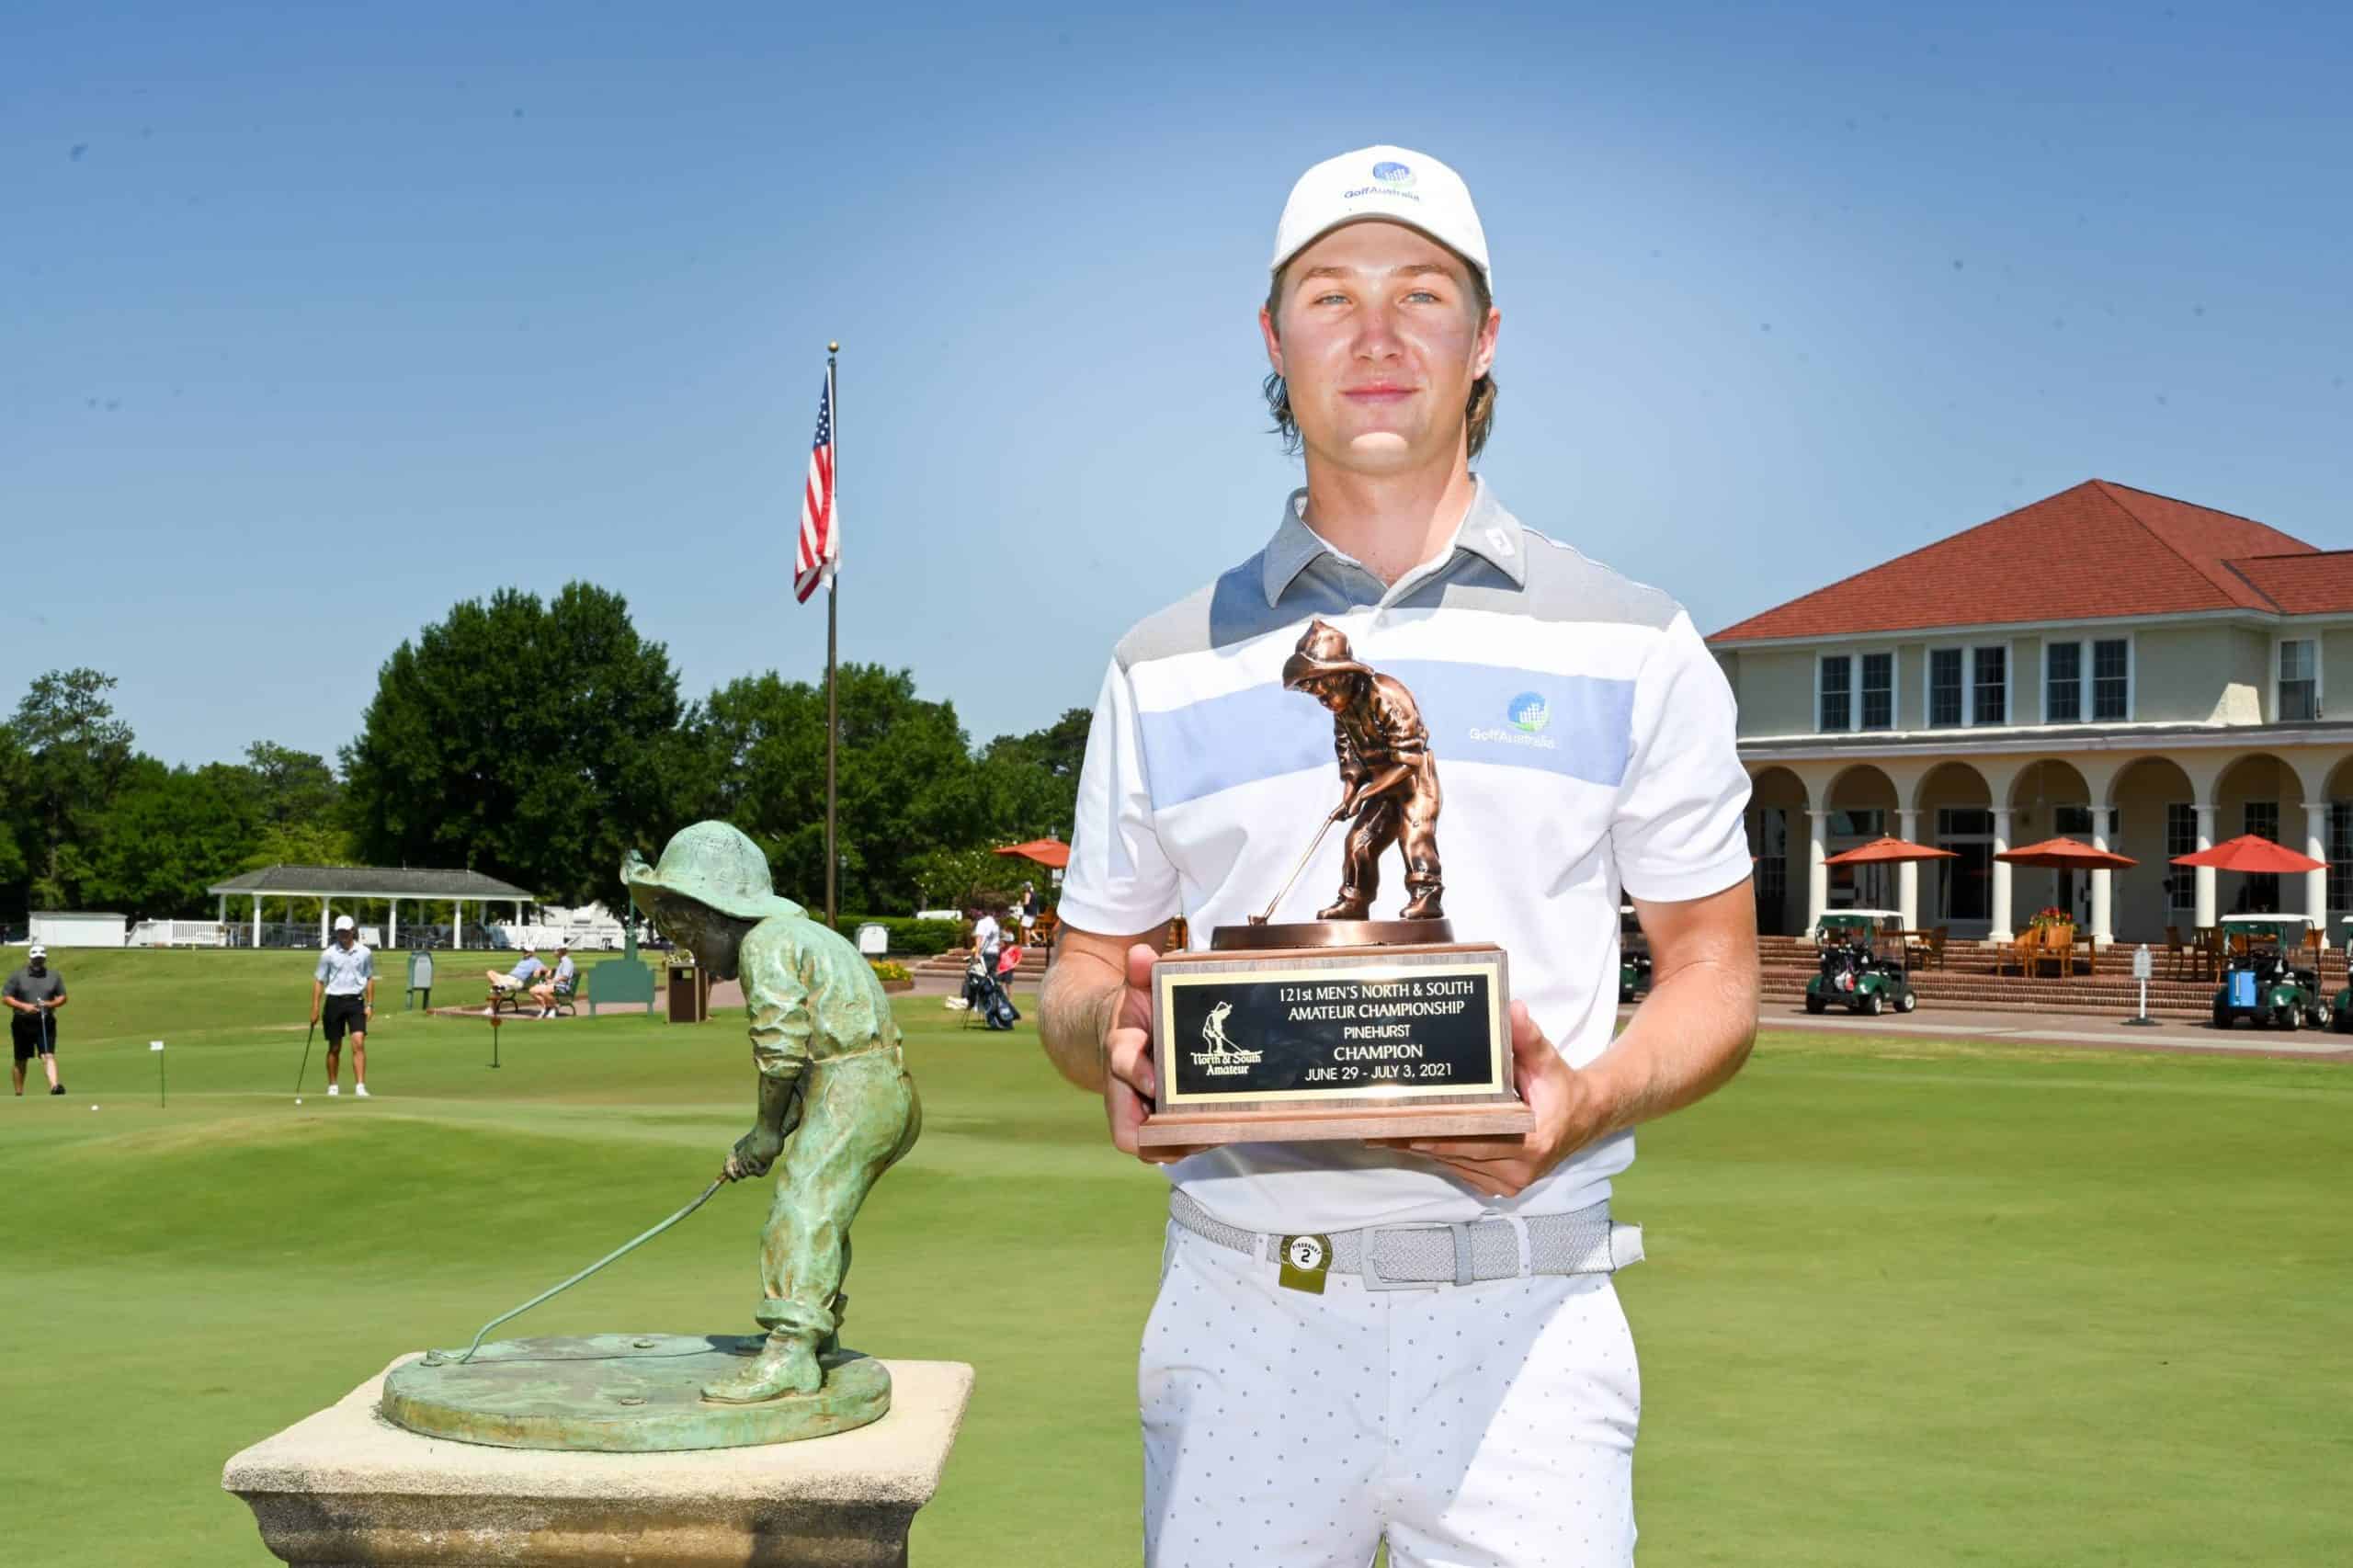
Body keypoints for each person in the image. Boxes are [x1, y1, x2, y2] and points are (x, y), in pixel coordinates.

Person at [1038, 145, 1758, 1567]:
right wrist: (1107, 1039)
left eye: (1422, 295)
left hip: (1528, 1324)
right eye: (1330, 295)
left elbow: (1715, 975)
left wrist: (1588, 1093)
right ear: (1274, 339)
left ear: (1483, 339)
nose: (1376, 334)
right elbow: (1077, 972)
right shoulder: (1162, 661)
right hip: (1244, 1314)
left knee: (1395, 865)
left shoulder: (1635, 637)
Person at [620, 821, 921, 1402]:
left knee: (802, 1207)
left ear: (709, 915)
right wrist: (774, 1128)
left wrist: (764, 1132)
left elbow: (781, 1051)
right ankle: (815, 1330)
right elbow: (811, 1052)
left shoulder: (765, 944)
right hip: (877, 1086)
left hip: (856, 1087)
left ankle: (791, 1350)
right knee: (826, 1210)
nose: (694, 956)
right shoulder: (806, 935)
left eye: (686, 935)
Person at [311, 915, 375, 1097]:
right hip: (334, 1002)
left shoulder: (364, 953)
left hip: (356, 1001)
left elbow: (370, 978)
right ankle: (333, 1085)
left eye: (346, 931)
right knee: (335, 1047)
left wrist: (370, 1004)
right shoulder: (328, 954)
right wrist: (315, 1007)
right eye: (340, 931)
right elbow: (319, 981)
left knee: (358, 1043)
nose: (343, 935)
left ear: (352, 931)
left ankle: (360, 1086)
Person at [6, 943, 67, 1096]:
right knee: (21, 1059)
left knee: (48, 1055)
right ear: (30, 958)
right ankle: (19, 1093)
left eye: (40, 959)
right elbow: (6, 998)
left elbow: (63, 997)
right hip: (22, 1022)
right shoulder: (17, 976)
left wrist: (50, 1004)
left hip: (45, 1021)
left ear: (44, 958)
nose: (38, 961)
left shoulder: (54, 976)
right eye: (35, 959)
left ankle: (54, 1086)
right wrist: (24, 1006)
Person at [529, 945, 576, 1017]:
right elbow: (559, 971)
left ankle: (553, 1008)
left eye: (555, 950)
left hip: (562, 987)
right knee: (532, 990)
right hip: (556, 985)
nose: (553, 952)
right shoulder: (562, 961)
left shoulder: (566, 961)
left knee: (545, 991)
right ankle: (545, 1008)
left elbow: (565, 977)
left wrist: (552, 981)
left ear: (560, 951)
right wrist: (552, 970)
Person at [970, 906, 1002, 978]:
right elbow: (998, 941)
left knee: (980, 975)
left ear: (982, 913)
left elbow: (979, 938)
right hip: (995, 953)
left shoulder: (981, 923)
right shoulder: (996, 924)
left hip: (985, 953)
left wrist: (977, 953)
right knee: (993, 977)